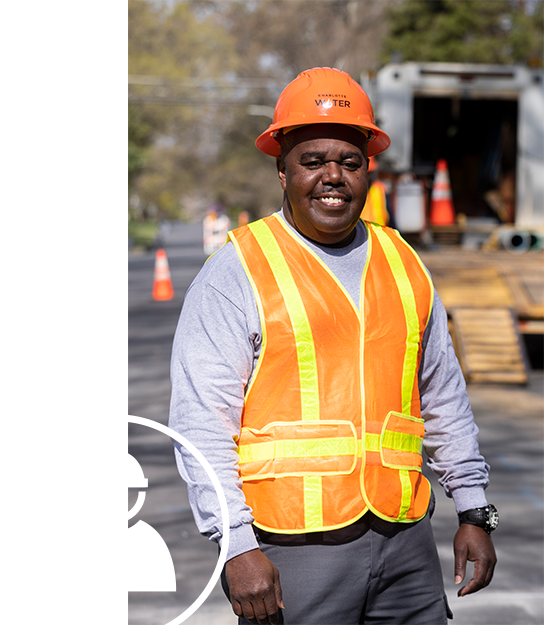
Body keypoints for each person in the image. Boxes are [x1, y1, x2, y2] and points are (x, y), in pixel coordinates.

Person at [169, 67, 498, 626]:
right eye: (313, 161)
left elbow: (443, 394)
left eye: (349, 162)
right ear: (282, 170)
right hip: (293, 551)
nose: (332, 177)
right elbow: (202, 421)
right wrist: (235, 544)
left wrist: (474, 508)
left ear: (368, 169)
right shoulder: (239, 270)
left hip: (405, 540)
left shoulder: (403, 263)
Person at [360, 156, 391, 227]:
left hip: (380, 233)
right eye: (367, 174)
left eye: (370, 173)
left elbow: (390, 217)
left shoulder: (379, 188)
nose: (369, 177)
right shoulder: (354, 192)